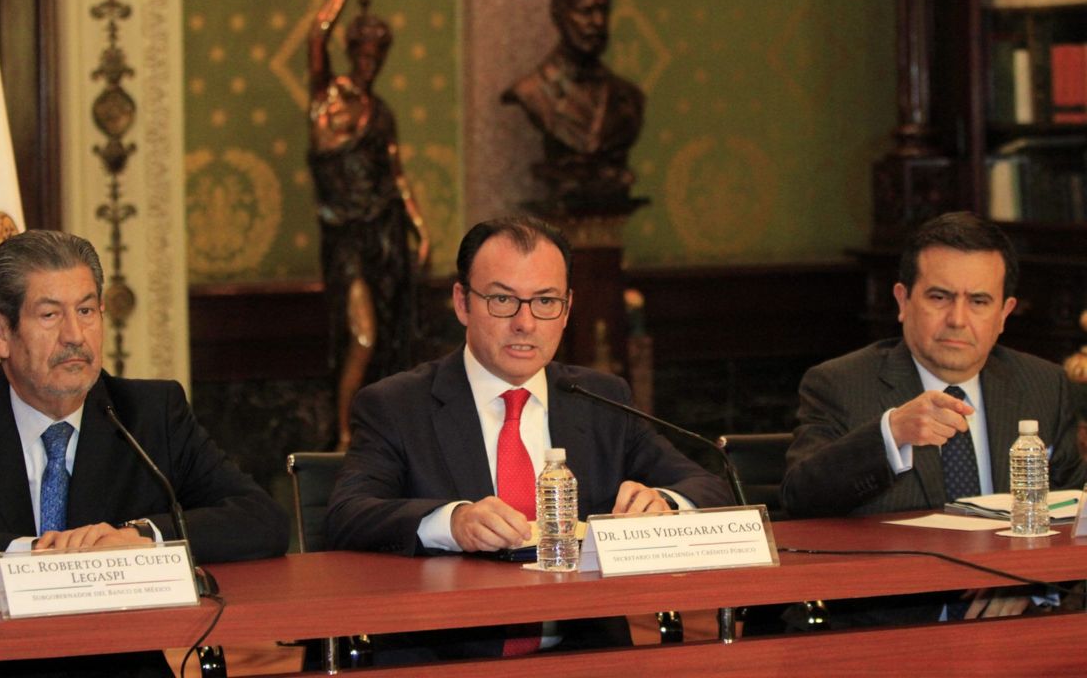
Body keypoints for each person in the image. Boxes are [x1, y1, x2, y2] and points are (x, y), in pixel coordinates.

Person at [0, 230, 291, 677]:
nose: (74, 336)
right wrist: (31, 554)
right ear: (0, 332)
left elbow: (261, 519)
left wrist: (140, 537)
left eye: (85, 311)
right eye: (49, 315)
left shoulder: (149, 414)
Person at [327, 215, 731, 660]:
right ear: (462, 303)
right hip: (447, 655)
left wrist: (664, 504)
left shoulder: (599, 400)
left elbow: (710, 489)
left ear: (567, 308)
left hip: (585, 656)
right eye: (502, 299)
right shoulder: (397, 405)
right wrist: (451, 523)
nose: (525, 322)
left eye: (545, 301)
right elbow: (347, 515)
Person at [781, 211, 1087, 623]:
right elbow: (800, 500)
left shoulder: (1043, 384)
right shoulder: (840, 383)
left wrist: (1028, 580)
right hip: (886, 627)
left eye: (979, 301)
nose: (958, 319)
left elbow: (1073, 509)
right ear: (903, 301)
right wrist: (891, 434)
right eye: (939, 297)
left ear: (1004, 313)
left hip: (1016, 619)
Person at [307, 0, 430, 451]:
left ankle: (374, 434)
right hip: (344, 237)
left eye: (379, 56)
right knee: (361, 335)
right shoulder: (326, 96)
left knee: (390, 336)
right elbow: (316, 34)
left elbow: (397, 176)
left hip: (383, 231)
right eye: (364, 53)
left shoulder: (381, 113)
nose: (370, 63)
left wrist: (420, 227)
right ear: (351, 51)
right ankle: (343, 436)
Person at [501, 0, 645, 211]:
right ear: (559, 16)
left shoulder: (630, 98)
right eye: (586, 11)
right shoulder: (533, 90)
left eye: (603, 11)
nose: (598, 22)